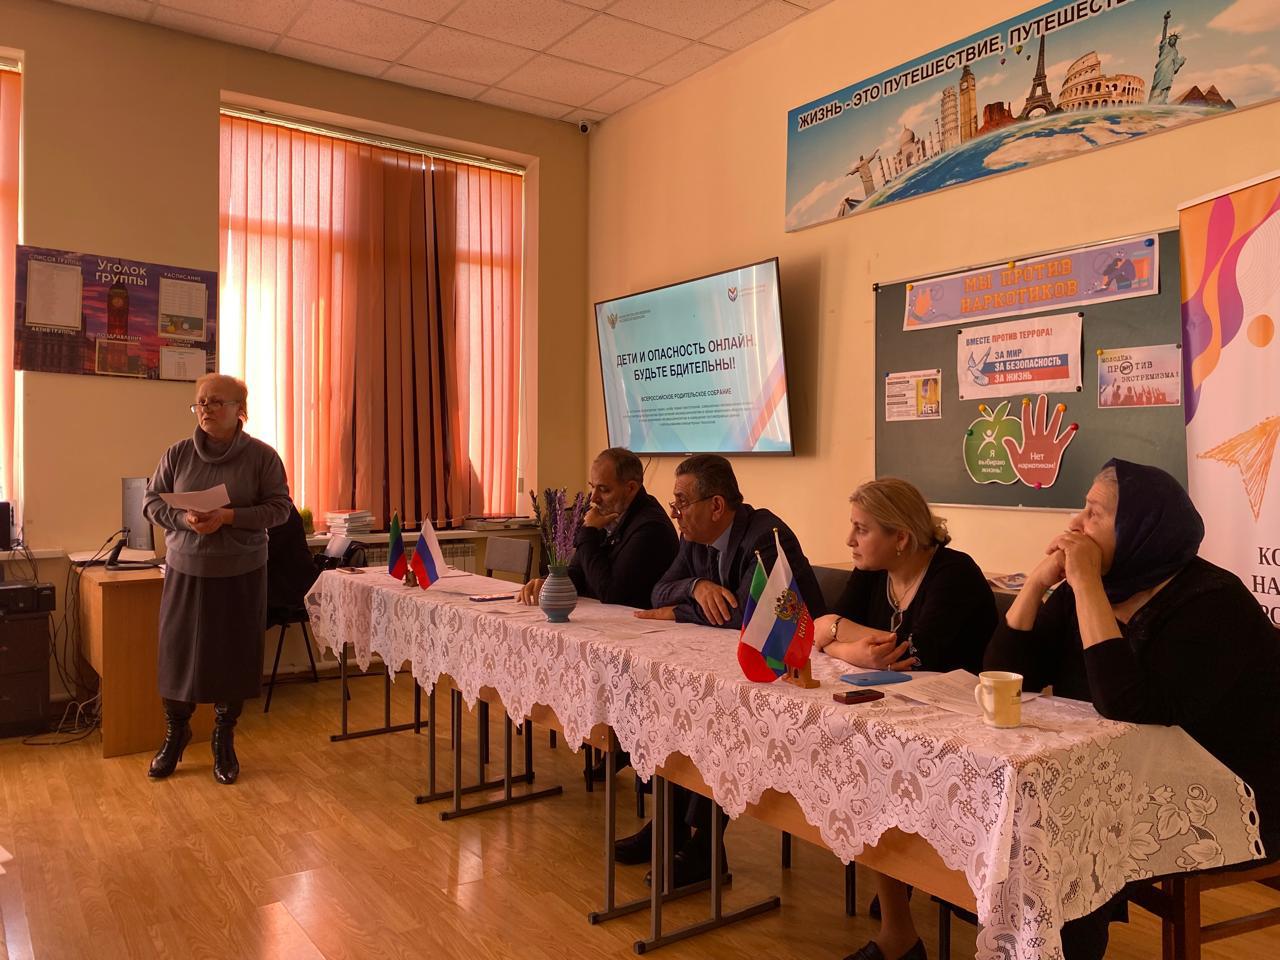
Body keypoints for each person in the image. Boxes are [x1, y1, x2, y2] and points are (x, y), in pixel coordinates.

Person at [985, 459, 1280, 959]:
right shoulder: (1098, 586)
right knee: (1031, 825)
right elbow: (1006, 677)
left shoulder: (1214, 602)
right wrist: (1036, 583)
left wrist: (1085, 585)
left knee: (1064, 834)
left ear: (1142, 527)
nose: (1076, 524)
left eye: (1095, 513)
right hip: (1128, 777)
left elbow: (1128, 704)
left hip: (1231, 793)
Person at [619, 454, 825, 886]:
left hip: (796, 669)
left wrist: (680, 612)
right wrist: (697, 586)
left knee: (716, 715)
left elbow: (746, 617)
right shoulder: (694, 537)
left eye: (681, 502)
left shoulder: (765, 536)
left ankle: (704, 846)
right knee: (677, 701)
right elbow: (659, 590)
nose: (674, 512)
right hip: (731, 662)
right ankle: (671, 828)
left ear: (716, 506)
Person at [812, 478, 996, 960]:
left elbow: (914, 653)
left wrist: (842, 639)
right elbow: (822, 628)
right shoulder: (873, 570)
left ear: (901, 537)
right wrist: (853, 649)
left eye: (862, 529)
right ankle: (899, 928)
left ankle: (907, 909)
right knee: (866, 762)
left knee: (878, 766)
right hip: (906, 715)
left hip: (968, 725)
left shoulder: (954, 574)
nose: (850, 541)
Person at [143, 374, 291, 785]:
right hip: (186, 568)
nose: (205, 409)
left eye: (215, 402)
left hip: (241, 570)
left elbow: (279, 509)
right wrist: (185, 520)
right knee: (177, 655)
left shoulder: (262, 457)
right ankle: (176, 734)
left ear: (240, 410)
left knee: (233, 656)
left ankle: (223, 738)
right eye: (200, 402)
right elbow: (151, 503)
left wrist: (227, 517)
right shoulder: (177, 454)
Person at [517, 447, 677, 609]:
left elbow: (611, 593)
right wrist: (549, 582)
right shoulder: (611, 513)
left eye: (604, 489)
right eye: (592, 487)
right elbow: (579, 573)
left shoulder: (652, 528)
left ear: (631, 488)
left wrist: (588, 532)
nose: (593, 498)